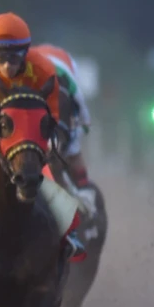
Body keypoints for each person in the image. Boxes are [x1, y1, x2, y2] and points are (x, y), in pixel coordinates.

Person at [0, 13, 83, 258]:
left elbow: (52, 118)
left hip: (29, 115)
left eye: (15, 57)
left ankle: (68, 233)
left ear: (26, 52)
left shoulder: (43, 70)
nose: (7, 66)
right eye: (0, 58)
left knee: (44, 170)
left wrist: (42, 143)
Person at [34, 44, 97, 212]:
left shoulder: (67, 78)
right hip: (49, 66)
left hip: (64, 68)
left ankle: (84, 191)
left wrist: (83, 124)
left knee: (73, 149)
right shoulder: (30, 72)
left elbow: (80, 103)